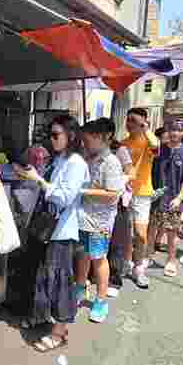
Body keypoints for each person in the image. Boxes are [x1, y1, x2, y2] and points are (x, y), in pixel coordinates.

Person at [16, 115, 89, 351]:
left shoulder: (76, 163)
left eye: (56, 135)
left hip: (62, 230)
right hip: (48, 227)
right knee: (43, 275)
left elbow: (65, 197)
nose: (52, 139)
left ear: (71, 136)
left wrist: (38, 179)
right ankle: (42, 317)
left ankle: (59, 332)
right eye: (51, 134)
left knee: (60, 281)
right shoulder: (60, 159)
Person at [75, 120, 125, 323]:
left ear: (103, 138)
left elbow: (113, 194)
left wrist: (84, 191)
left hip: (100, 221)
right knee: (83, 255)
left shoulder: (111, 162)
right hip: (84, 217)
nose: (84, 143)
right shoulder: (88, 158)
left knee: (98, 258)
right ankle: (80, 288)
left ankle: (101, 300)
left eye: (87, 140)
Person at [121, 108, 160, 289]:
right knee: (126, 232)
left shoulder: (148, 142)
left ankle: (139, 268)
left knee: (140, 234)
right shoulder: (123, 143)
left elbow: (156, 144)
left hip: (143, 194)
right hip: (124, 193)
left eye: (133, 120)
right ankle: (127, 264)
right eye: (128, 119)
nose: (129, 123)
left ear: (143, 123)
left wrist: (145, 127)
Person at [148, 121, 183, 277]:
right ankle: (147, 256)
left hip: (173, 199)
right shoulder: (160, 149)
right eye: (171, 129)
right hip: (155, 198)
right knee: (151, 229)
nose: (174, 133)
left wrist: (179, 198)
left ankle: (171, 261)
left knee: (172, 232)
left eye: (178, 130)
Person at [102, 118, 134, 298]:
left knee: (117, 240)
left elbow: (132, 173)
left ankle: (114, 279)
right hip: (99, 202)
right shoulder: (91, 151)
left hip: (118, 201)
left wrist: (118, 181)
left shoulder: (119, 150)